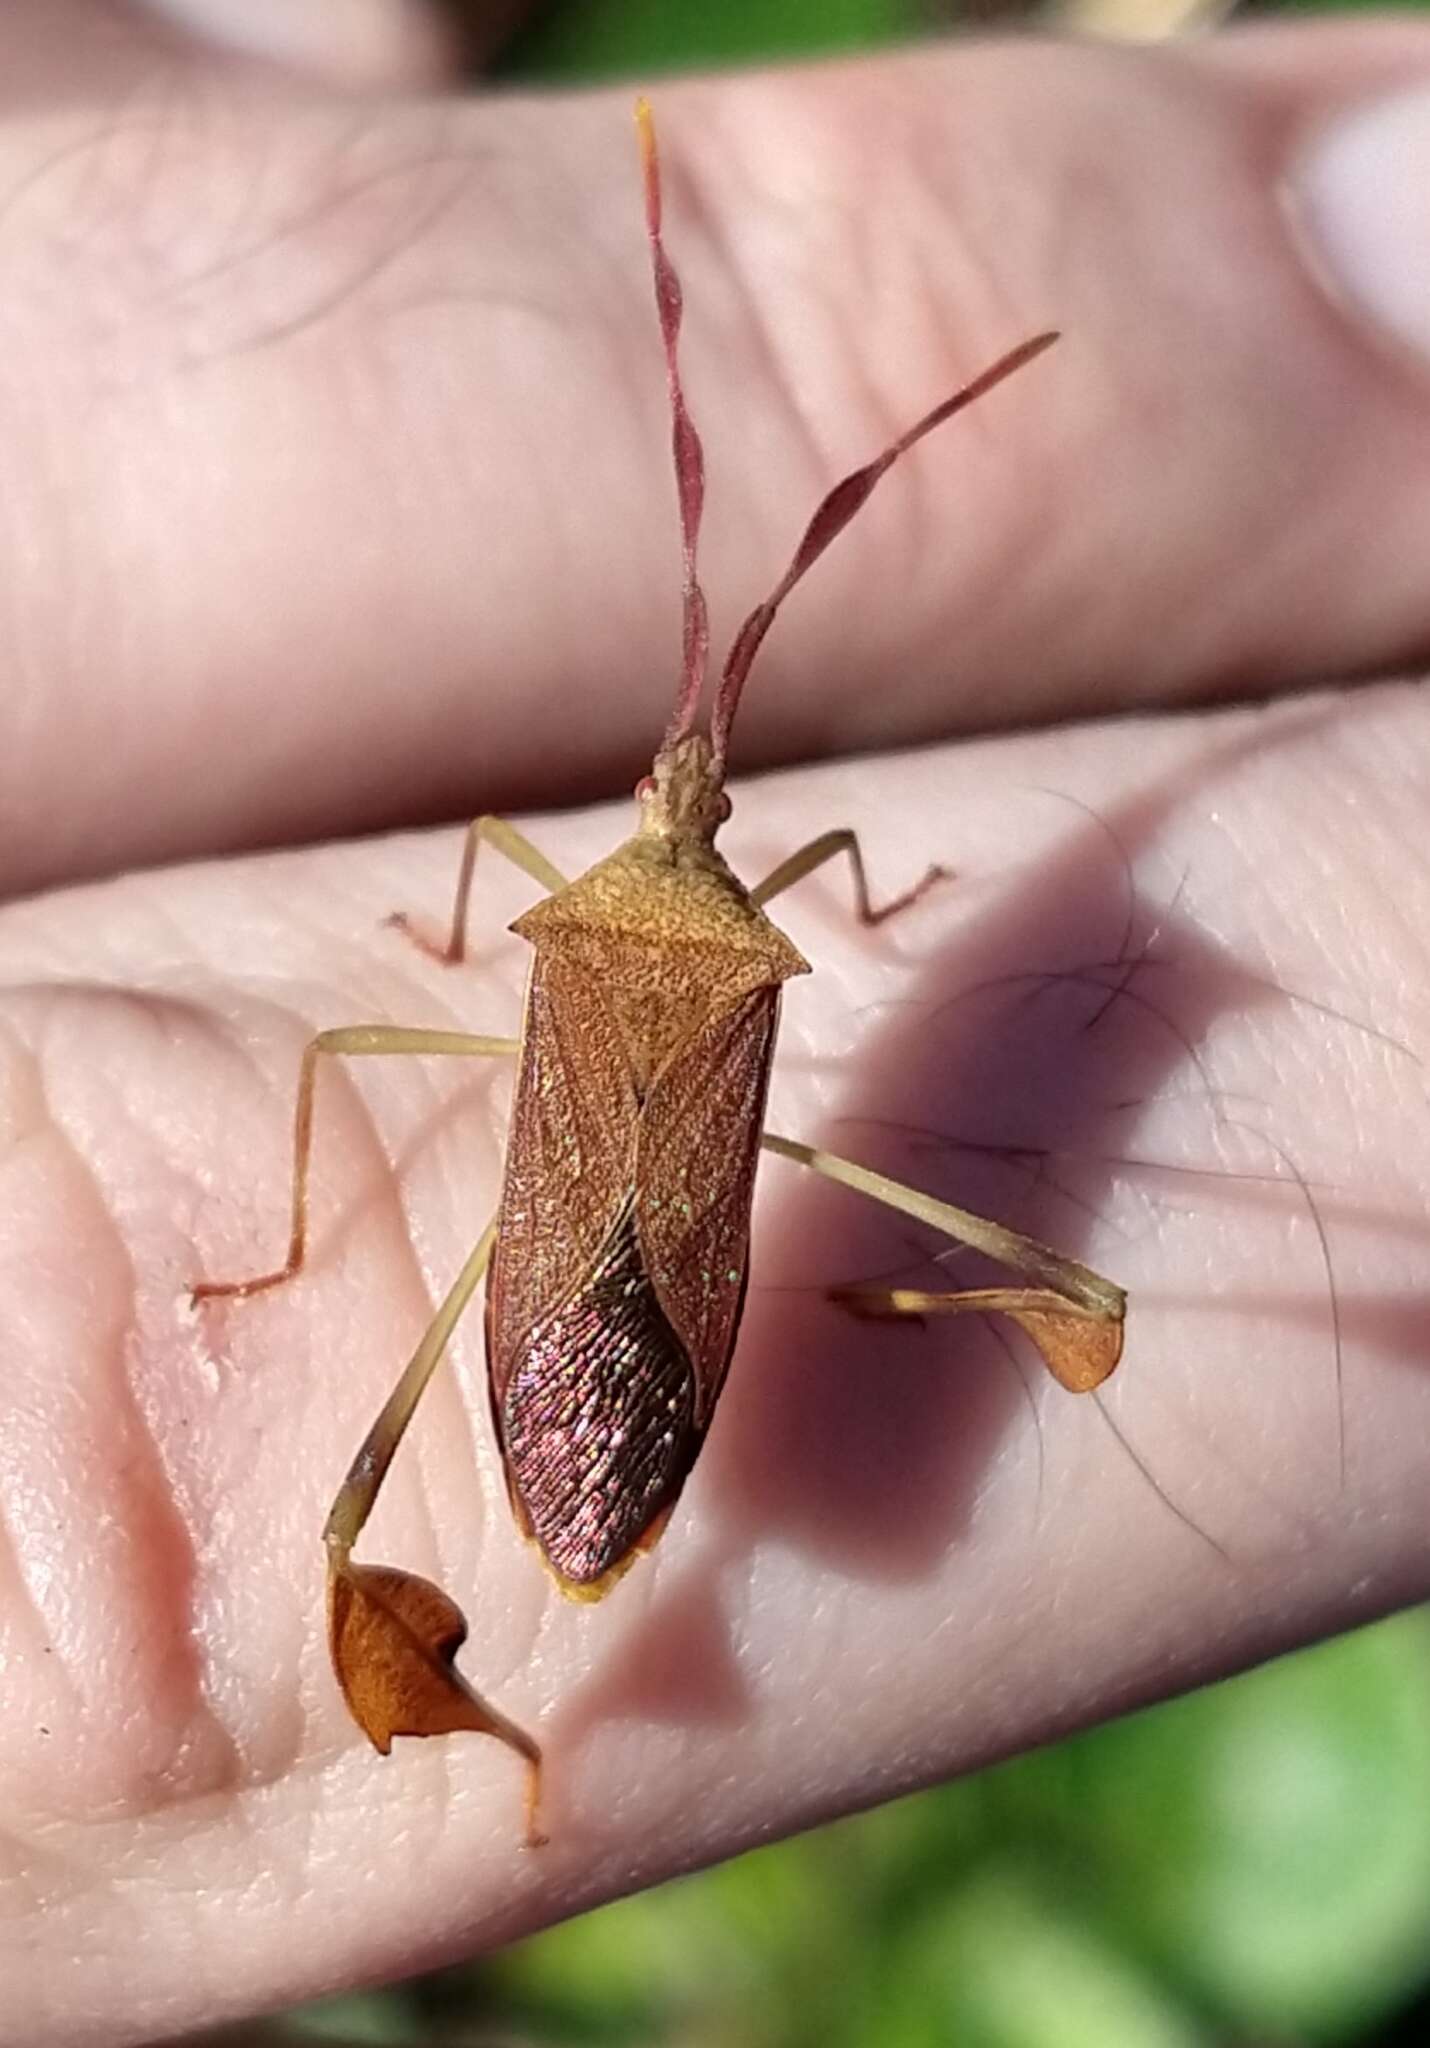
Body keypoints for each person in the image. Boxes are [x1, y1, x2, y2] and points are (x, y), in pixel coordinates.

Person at [3, 3, 1429, 2039]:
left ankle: (503, 1731)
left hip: (556, 1319)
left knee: (332, 1181)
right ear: (716, 826)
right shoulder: (700, 923)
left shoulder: (594, 916)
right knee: (1060, 1285)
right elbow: (785, 846)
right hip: (664, 1313)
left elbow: (483, 906)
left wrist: (328, 1190)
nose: (690, 769)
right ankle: (623, 1605)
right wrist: (859, 900)